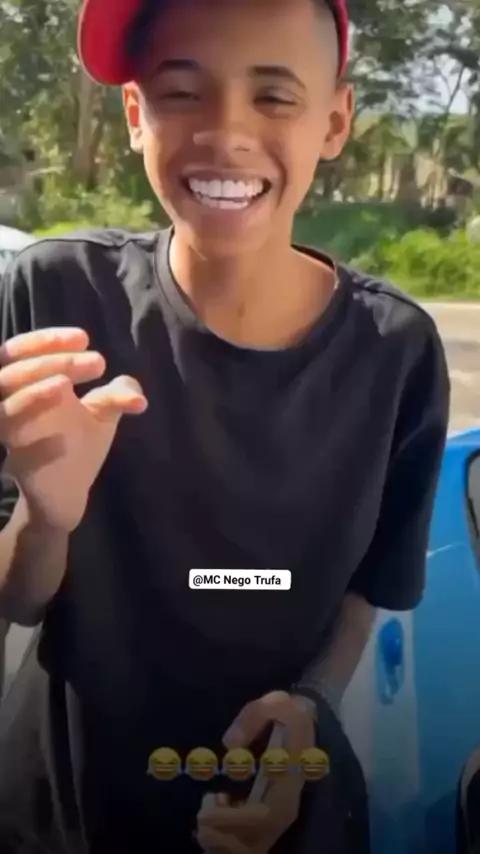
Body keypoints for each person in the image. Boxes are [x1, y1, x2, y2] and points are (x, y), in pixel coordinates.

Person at [0, 0, 449, 852]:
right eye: (182, 92)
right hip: (65, 811)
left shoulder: (397, 353)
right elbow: (16, 599)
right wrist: (43, 516)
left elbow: (369, 588)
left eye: (273, 96)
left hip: (289, 809)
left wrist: (310, 707)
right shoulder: (54, 301)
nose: (226, 133)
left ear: (334, 121)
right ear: (135, 115)